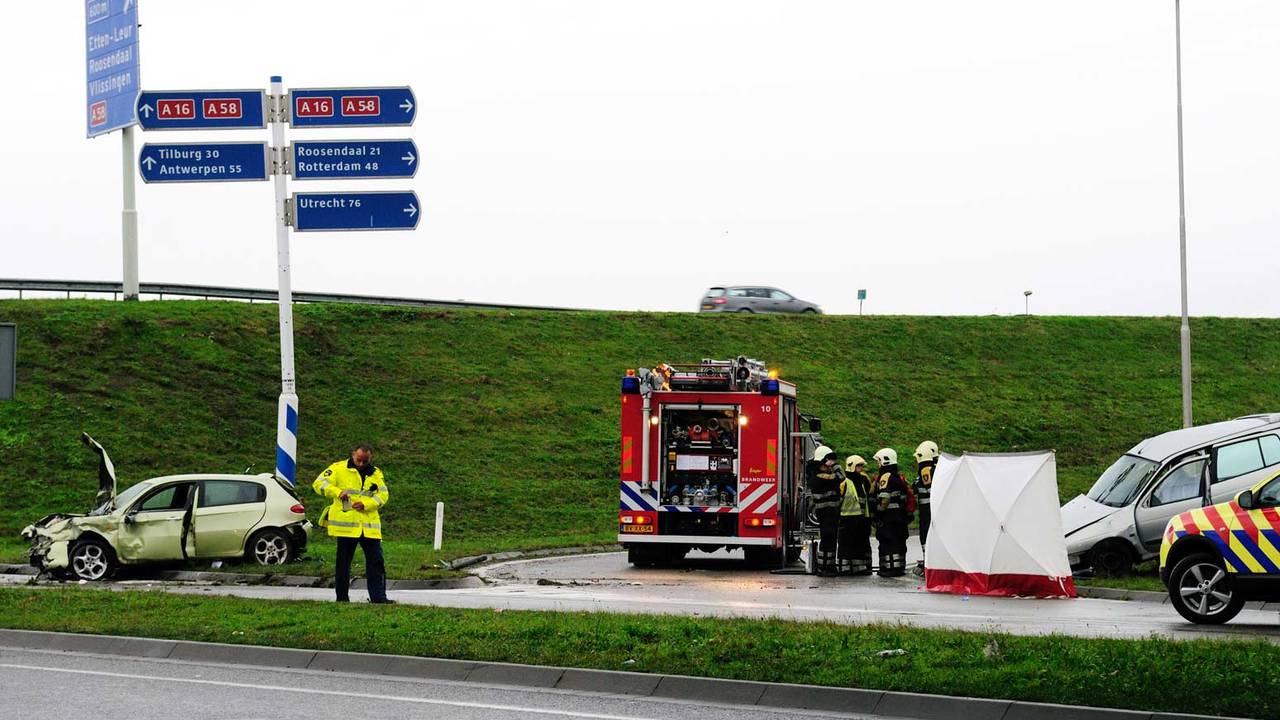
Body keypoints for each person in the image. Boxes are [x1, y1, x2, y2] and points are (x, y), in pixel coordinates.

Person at [313, 444, 393, 604]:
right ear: (352, 455)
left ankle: (378, 598)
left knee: (376, 562)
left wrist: (366, 504)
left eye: (365, 461)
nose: (362, 464)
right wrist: (337, 492)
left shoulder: (376, 473)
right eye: (359, 460)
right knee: (343, 564)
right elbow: (319, 484)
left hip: (368, 527)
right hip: (346, 527)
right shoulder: (338, 468)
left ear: (370, 459)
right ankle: (342, 598)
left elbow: (383, 495)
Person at [871, 447, 911, 577]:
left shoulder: (885, 476)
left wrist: (879, 513)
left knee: (887, 542)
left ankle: (888, 568)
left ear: (885, 461)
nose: (878, 464)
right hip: (899, 517)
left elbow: (885, 497)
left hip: (888, 517)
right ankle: (898, 567)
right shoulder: (898, 477)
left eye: (879, 461)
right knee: (898, 543)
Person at [806, 445, 843, 576]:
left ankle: (829, 566)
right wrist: (835, 465)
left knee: (831, 540)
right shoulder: (819, 477)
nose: (829, 467)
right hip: (826, 513)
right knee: (827, 541)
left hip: (830, 513)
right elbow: (840, 477)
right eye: (827, 464)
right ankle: (824, 567)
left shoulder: (820, 475)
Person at [837, 455, 873, 576]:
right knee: (845, 544)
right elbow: (839, 500)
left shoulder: (862, 480)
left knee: (859, 543)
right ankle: (845, 567)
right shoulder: (844, 482)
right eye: (859, 465)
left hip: (860, 518)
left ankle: (858, 568)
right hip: (846, 518)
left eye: (862, 466)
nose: (861, 468)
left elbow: (866, 498)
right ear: (852, 465)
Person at [913, 440, 940, 568]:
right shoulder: (938, 469)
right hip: (931, 510)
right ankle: (929, 561)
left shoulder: (926, 471)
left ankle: (929, 563)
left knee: (926, 535)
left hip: (927, 511)